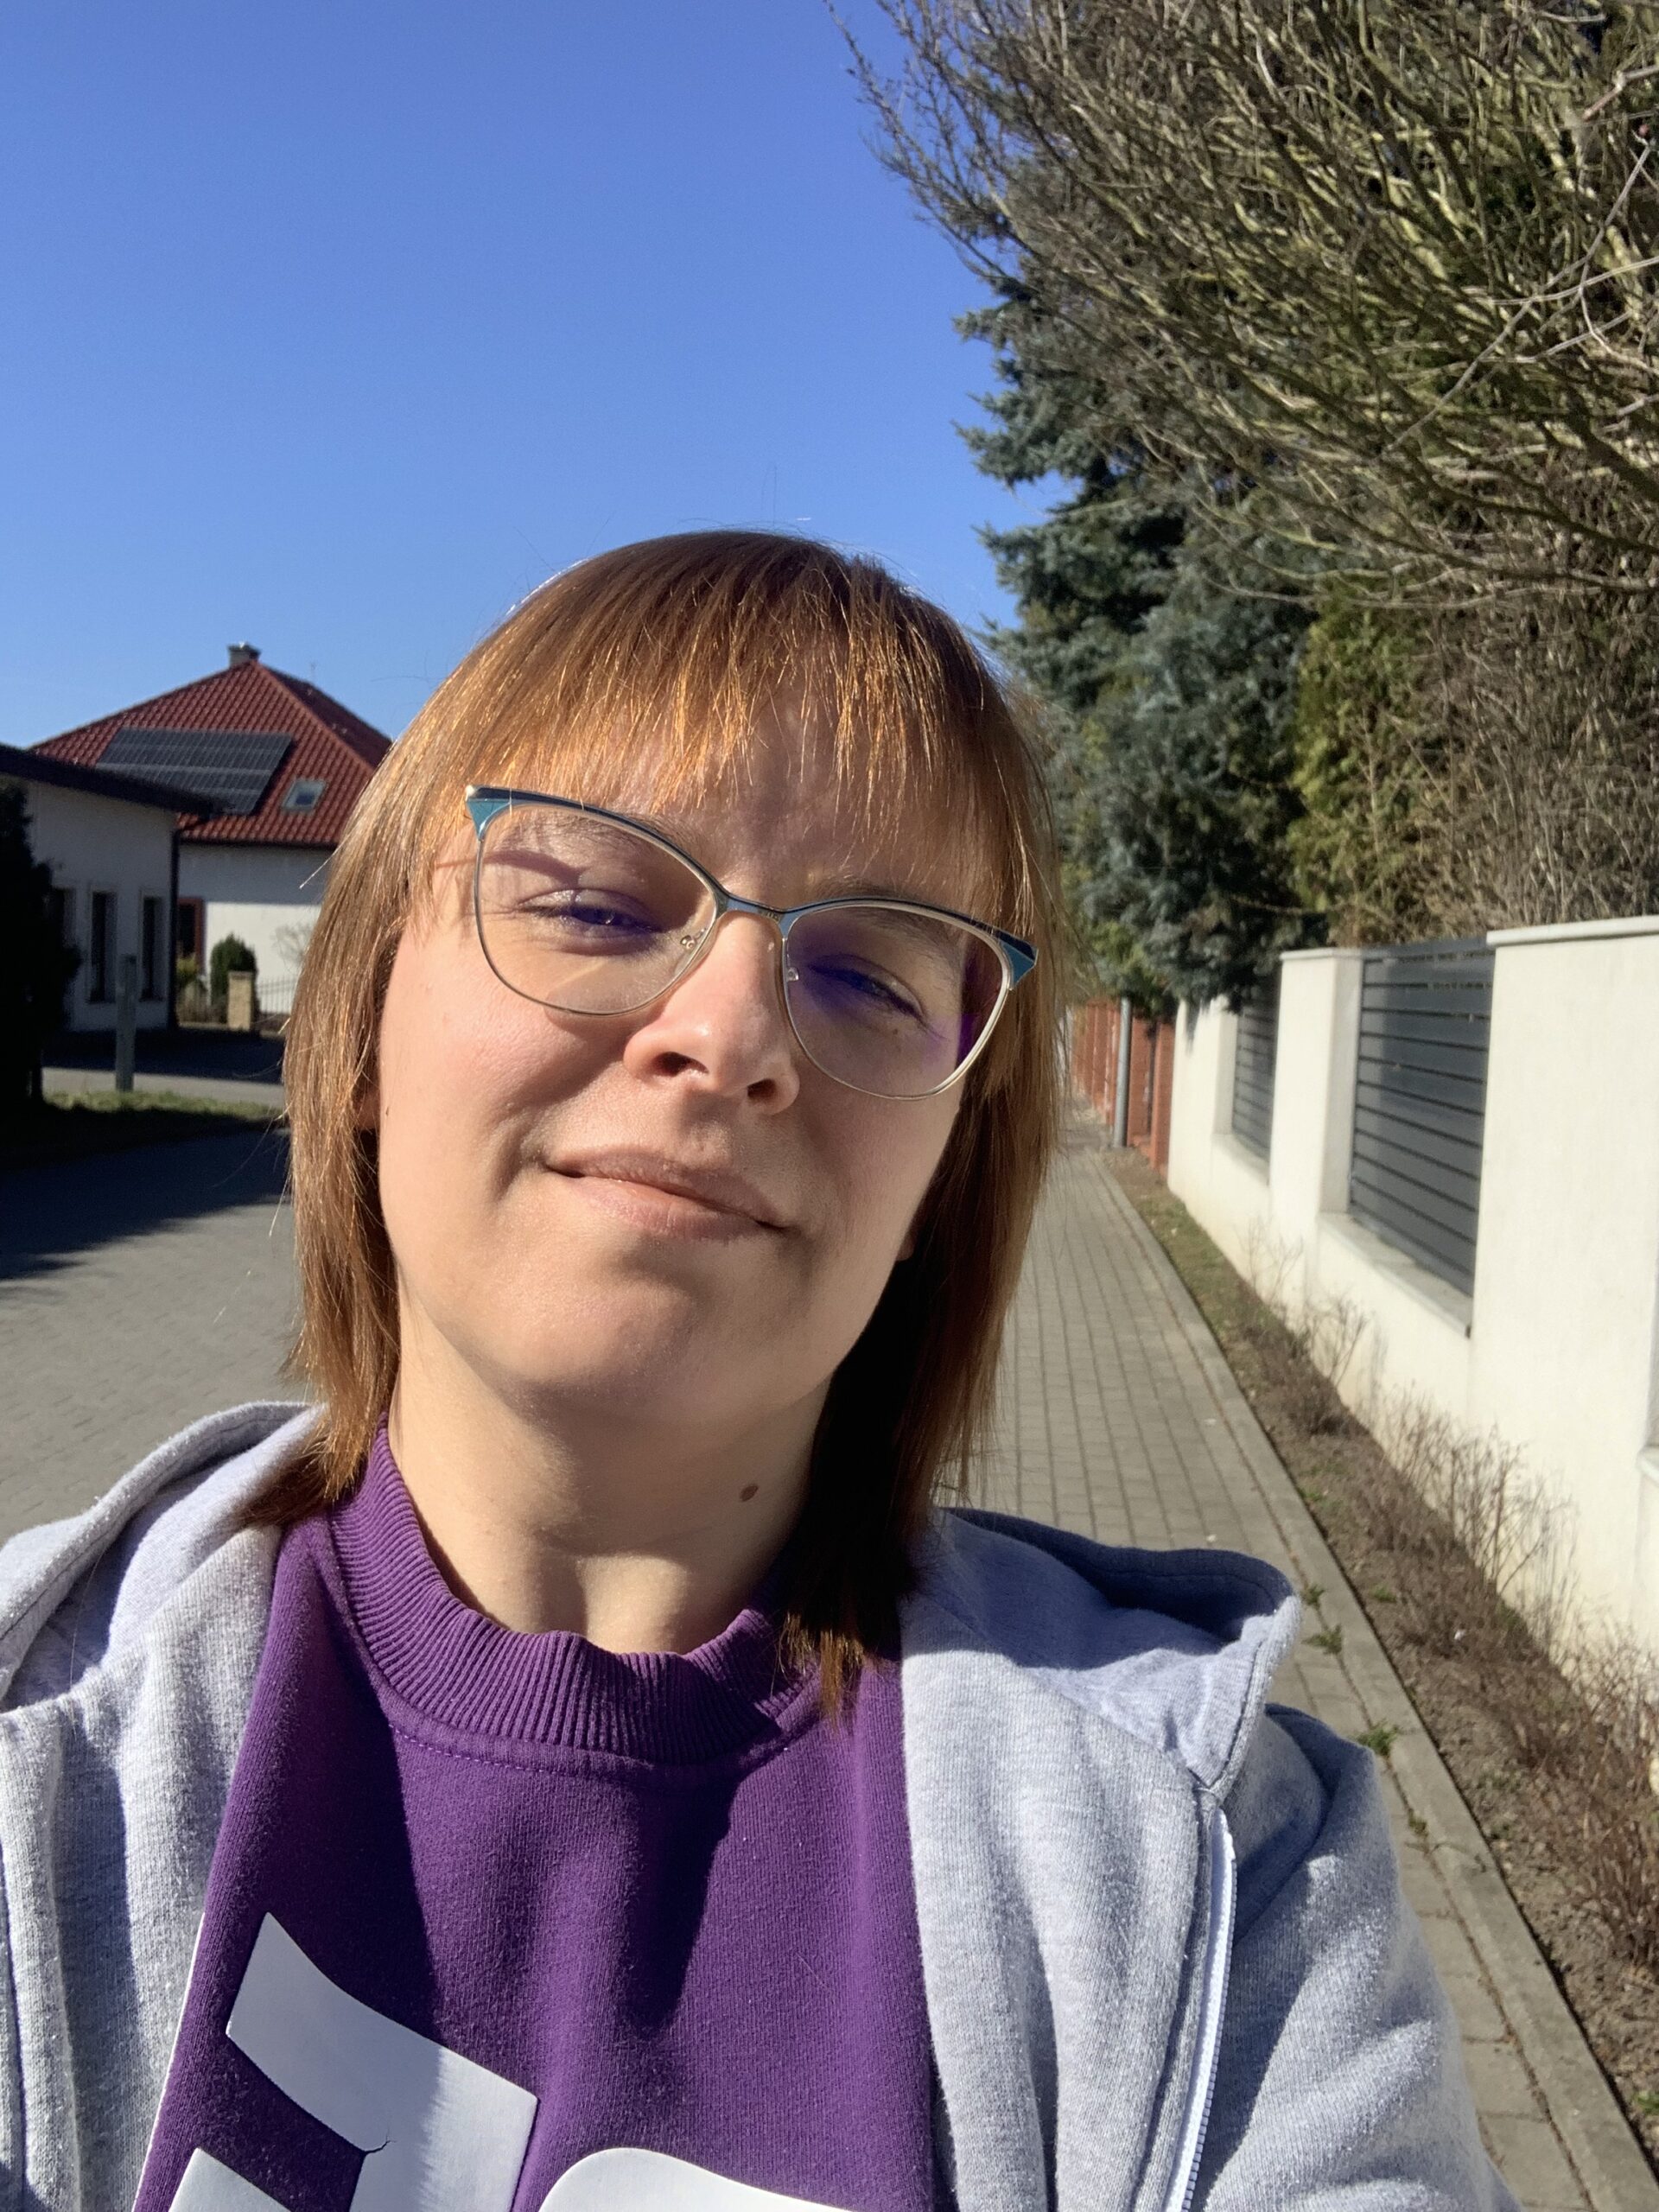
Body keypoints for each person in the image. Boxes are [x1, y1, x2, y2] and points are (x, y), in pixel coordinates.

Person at [0, 532, 1513, 2212]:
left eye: (867, 972)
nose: (728, 1037)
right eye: (591, 904)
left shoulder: (1229, 1867)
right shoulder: (33, 1752)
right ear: (356, 1027)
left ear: (940, 1184)